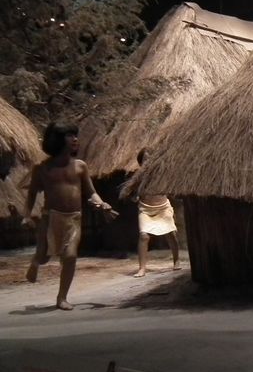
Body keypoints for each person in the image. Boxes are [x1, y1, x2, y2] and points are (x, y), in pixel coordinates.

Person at [22, 121, 117, 310]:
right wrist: (26, 215)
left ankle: (62, 298)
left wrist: (102, 203)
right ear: (57, 140)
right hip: (50, 218)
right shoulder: (42, 169)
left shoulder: (81, 166)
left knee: (70, 255)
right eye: (69, 135)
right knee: (44, 257)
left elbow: (91, 192)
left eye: (75, 135)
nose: (75, 139)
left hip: (74, 218)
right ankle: (35, 262)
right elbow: (32, 193)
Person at [130, 148, 180, 277]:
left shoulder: (163, 174)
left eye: (151, 159)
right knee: (144, 236)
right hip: (145, 209)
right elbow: (132, 194)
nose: (148, 162)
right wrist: (135, 196)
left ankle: (176, 260)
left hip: (163, 207)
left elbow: (171, 190)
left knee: (172, 234)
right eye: (145, 160)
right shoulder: (138, 177)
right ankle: (142, 268)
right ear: (141, 162)